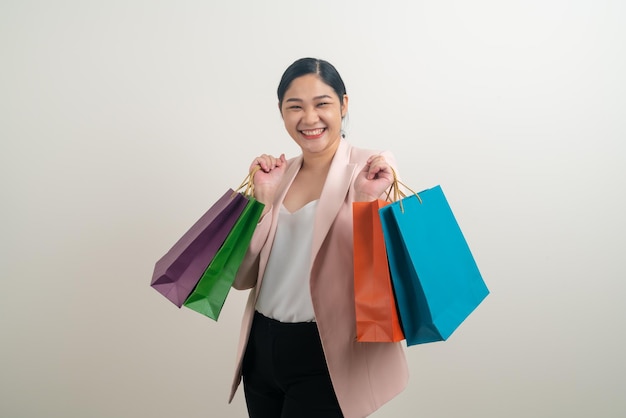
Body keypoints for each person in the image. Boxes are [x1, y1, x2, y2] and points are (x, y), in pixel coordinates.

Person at [228, 57, 409, 418]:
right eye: (295, 106)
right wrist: (262, 199)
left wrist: (364, 201)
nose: (309, 119)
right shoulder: (278, 174)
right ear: (281, 112)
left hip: (328, 350)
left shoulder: (371, 170)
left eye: (322, 103)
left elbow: (382, 275)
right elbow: (241, 278)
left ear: (343, 104)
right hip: (261, 346)